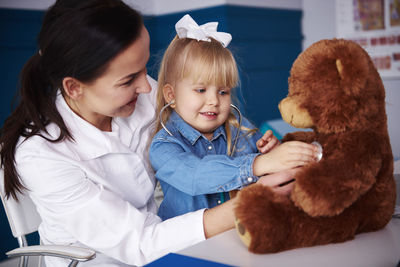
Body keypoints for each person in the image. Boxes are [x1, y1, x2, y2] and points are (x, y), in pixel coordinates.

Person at [0, 1, 316, 266]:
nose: (146, 85)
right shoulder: (40, 156)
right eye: (128, 79)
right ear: (74, 88)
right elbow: (139, 241)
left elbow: (218, 123)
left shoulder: (141, 95)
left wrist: (255, 144)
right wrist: (251, 198)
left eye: (142, 69)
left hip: (174, 239)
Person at [150, 14, 319, 220]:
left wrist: (272, 152)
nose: (214, 100)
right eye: (201, 90)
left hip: (238, 231)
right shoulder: (164, 146)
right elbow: (195, 176)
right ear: (172, 95)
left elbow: (269, 173)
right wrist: (259, 164)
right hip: (189, 243)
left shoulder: (240, 128)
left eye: (223, 92)